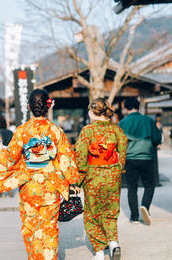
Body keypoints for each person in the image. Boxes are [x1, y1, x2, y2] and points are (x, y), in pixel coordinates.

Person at [0, 89, 79, 260]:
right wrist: (72, 182)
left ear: (29, 107)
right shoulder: (56, 130)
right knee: (49, 228)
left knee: (30, 227)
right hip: (51, 185)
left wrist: (0, 150)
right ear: (48, 107)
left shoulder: (22, 131)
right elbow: (66, 159)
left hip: (29, 187)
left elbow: (11, 157)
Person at [74, 98, 127, 260]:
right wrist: (118, 168)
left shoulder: (87, 131)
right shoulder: (116, 130)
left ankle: (98, 253)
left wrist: (78, 181)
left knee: (92, 213)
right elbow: (123, 149)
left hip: (93, 177)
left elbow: (81, 157)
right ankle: (113, 243)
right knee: (110, 211)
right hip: (112, 175)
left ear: (92, 111)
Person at [119, 97, 162, 225]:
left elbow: (119, 142)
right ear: (139, 107)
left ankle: (134, 217)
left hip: (130, 158)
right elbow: (157, 138)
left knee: (132, 188)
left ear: (126, 109)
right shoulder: (148, 120)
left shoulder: (122, 123)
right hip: (146, 157)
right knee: (149, 185)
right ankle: (145, 206)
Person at [0, 116, 14, 198]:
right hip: (9, 155)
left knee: (0, 174)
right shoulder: (10, 132)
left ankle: (2, 192)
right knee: (8, 173)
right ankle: (10, 190)